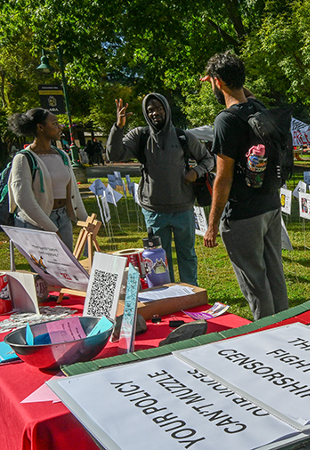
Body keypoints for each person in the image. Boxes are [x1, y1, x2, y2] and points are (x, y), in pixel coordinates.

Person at [202, 51, 288, 320]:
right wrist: (226, 76)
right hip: (270, 205)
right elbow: (244, 93)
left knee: (255, 282)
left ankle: (266, 335)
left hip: (243, 215)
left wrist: (213, 223)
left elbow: (223, 177)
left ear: (217, 83)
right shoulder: (258, 108)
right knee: (275, 274)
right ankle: (285, 328)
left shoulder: (225, 120)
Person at [107, 93, 214, 287]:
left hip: (183, 208)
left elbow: (208, 159)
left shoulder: (183, 136)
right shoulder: (140, 135)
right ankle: (167, 293)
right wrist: (119, 127)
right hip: (154, 210)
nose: (155, 113)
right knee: (159, 259)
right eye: (150, 110)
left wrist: (196, 172)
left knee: (187, 254)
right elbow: (114, 154)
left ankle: (191, 291)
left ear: (166, 109)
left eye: (158, 108)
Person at [7, 108, 88, 249]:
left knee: (66, 269)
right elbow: (24, 200)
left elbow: (73, 191)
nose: (59, 127)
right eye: (54, 124)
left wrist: (85, 220)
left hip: (63, 219)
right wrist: (51, 229)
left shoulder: (62, 155)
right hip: (35, 223)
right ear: (40, 127)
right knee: (44, 269)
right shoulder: (23, 159)